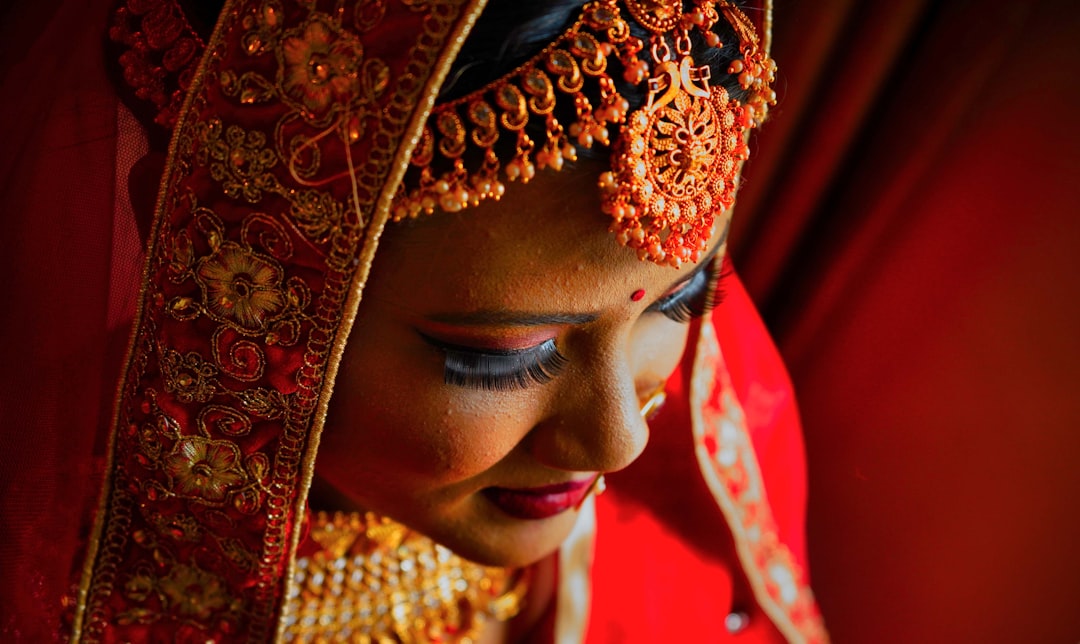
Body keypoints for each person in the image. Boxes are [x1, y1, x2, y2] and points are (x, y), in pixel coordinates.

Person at [0, 0, 827, 641]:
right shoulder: (42, 570)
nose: (621, 442)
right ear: (209, 252)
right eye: (499, 359)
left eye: (684, 300)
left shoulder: (666, 528)